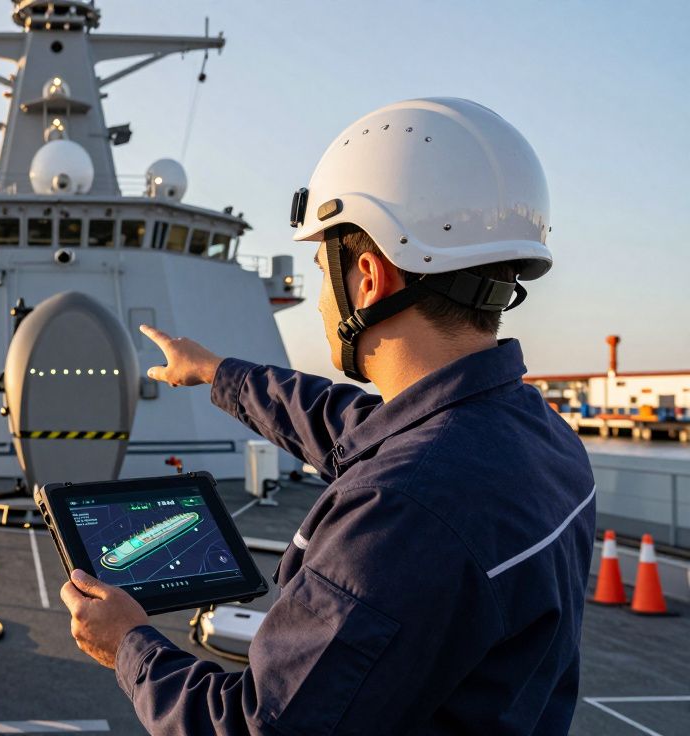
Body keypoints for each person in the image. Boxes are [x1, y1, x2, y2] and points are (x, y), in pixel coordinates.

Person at [60, 98, 596, 734]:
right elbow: (348, 425)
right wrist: (215, 372)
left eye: (322, 271)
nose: (319, 303)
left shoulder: (399, 512)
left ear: (367, 279)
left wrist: (129, 645)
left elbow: (255, 726)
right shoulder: (539, 437)